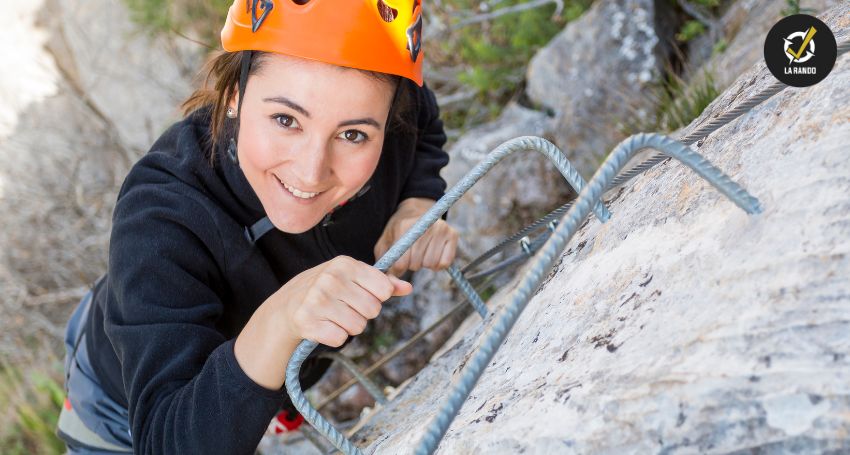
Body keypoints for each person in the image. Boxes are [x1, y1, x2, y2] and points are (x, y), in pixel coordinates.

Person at [57, 1, 457, 453]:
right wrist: (281, 319)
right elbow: (166, 440)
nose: (310, 173)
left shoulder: (393, 114)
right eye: (285, 120)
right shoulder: (162, 216)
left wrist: (417, 203)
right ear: (235, 96)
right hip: (124, 404)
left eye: (353, 135)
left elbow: (423, 122)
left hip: (252, 379)